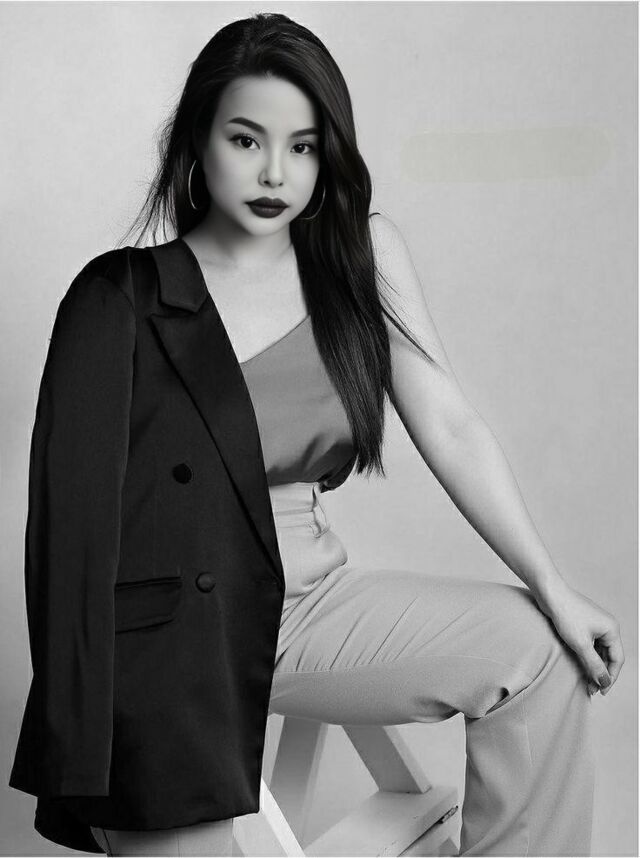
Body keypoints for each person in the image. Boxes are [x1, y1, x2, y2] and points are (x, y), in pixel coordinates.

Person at [11, 12, 623, 858]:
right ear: (197, 141)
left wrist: (551, 585)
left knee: (539, 653)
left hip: (311, 599)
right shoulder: (119, 298)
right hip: (173, 635)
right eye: (246, 139)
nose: (275, 172)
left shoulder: (359, 258)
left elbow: (450, 422)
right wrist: (81, 748)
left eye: (302, 147)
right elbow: (70, 529)